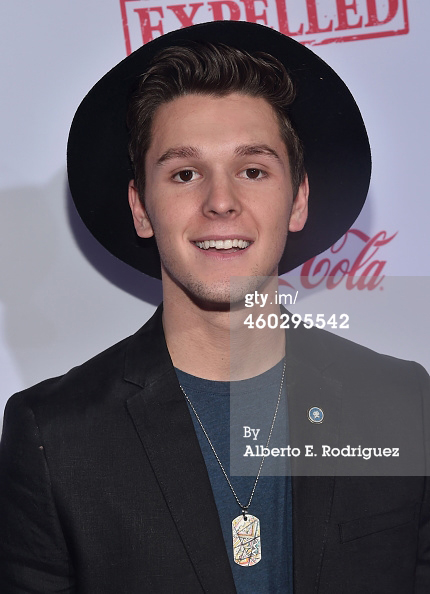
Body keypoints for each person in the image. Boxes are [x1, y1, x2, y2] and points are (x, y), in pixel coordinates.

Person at [1, 20, 429, 594]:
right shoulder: (53, 435)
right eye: (184, 174)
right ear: (142, 208)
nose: (220, 202)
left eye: (252, 171)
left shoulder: (401, 403)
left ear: (297, 199)